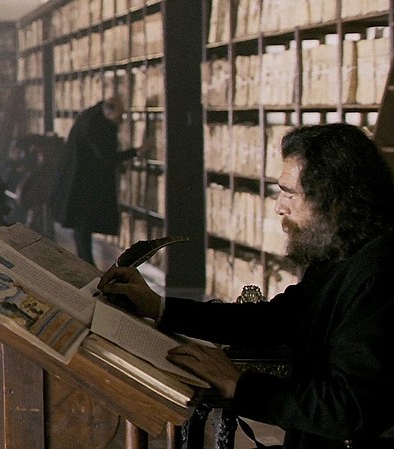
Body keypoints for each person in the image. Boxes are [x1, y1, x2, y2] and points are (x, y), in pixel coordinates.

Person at [98, 123, 394, 449]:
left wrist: (238, 385)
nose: (279, 207)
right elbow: (276, 320)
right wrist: (159, 307)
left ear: (335, 199)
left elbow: (348, 409)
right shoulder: (344, 251)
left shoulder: (380, 272)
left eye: (289, 193)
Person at [49, 97, 136, 266]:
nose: (121, 121)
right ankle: (86, 263)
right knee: (83, 224)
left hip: (83, 178)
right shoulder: (93, 125)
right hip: (83, 181)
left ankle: (86, 262)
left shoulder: (93, 116)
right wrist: (135, 151)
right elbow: (107, 157)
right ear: (108, 111)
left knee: (82, 224)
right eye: (119, 116)